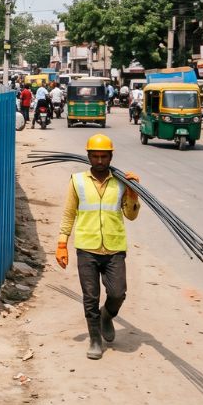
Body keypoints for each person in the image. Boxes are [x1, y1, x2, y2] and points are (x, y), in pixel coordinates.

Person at [55, 134, 141, 360]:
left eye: (104, 156)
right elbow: (68, 213)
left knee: (117, 293)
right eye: (95, 156)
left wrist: (133, 194)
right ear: (88, 157)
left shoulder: (122, 182)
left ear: (111, 156)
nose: (100, 161)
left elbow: (130, 216)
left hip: (114, 247)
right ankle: (95, 339)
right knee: (90, 297)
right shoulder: (77, 181)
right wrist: (62, 243)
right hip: (87, 248)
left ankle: (106, 316)